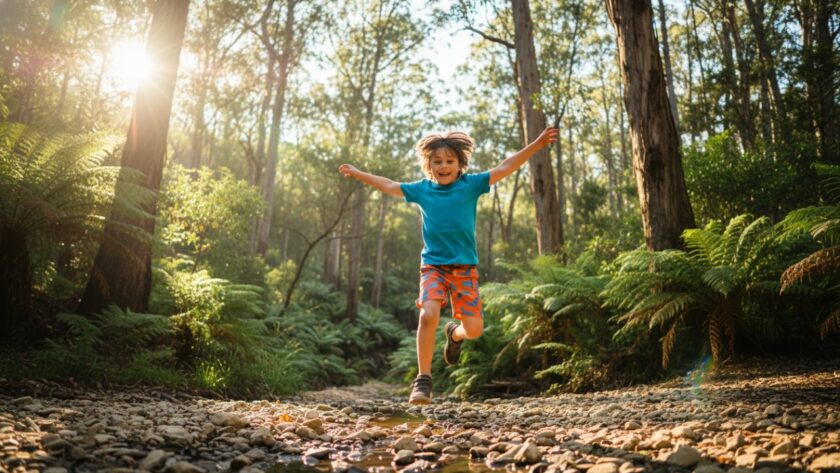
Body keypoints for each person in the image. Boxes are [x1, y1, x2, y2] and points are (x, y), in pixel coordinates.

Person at [339, 126, 558, 403]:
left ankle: (455, 334)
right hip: (433, 266)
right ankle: (423, 380)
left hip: (464, 268)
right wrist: (359, 173)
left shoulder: (471, 186)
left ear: (460, 164)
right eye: (437, 161)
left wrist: (536, 145)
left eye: (449, 161)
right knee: (428, 314)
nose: (443, 166)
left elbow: (505, 166)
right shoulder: (422, 190)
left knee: (475, 330)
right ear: (429, 165)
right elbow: (389, 185)